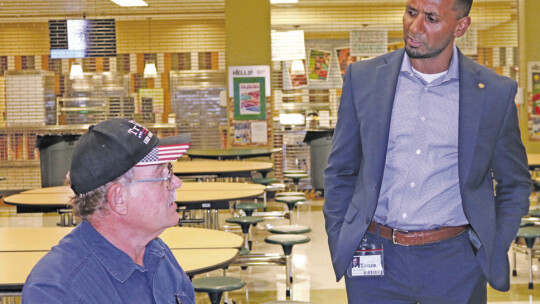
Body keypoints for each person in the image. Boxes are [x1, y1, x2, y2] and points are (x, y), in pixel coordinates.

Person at [323, 0, 531, 303]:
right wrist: (341, 238)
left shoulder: (494, 93)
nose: (415, 27)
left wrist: (492, 246)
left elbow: (514, 182)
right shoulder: (364, 79)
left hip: (455, 263)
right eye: (411, 12)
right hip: (375, 259)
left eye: (431, 18)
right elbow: (341, 170)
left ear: (460, 26)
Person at [22, 119, 194, 303]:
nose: (176, 183)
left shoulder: (157, 254)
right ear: (119, 199)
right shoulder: (57, 292)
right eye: (163, 175)